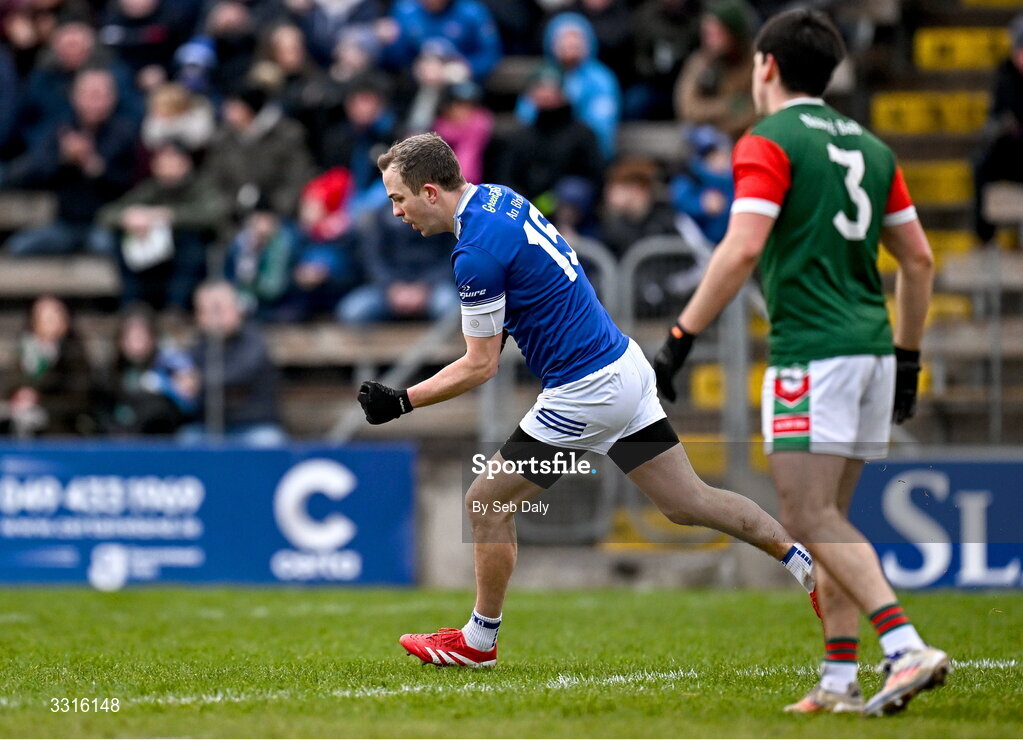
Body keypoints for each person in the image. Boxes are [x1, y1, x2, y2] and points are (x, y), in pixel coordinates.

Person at [357, 133, 818, 668]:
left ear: (431, 192)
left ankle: (479, 641)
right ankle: (807, 564)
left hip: (587, 388)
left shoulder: (475, 252)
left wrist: (402, 400)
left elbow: (480, 364)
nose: (396, 211)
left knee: (485, 502)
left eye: (399, 198)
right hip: (623, 365)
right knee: (687, 502)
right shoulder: (497, 197)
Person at [652, 9, 947, 716]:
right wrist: (907, 359)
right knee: (830, 518)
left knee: (808, 514)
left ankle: (904, 647)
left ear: (765, 67)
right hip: (873, 348)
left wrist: (680, 336)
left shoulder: (768, 139)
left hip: (812, 350)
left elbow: (743, 245)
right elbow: (918, 260)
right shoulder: (871, 149)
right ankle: (839, 680)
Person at [177, 281, 287, 446]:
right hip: (208, 428)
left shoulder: (254, 339)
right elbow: (184, 371)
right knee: (185, 439)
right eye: (204, 311)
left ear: (236, 309)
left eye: (218, 309)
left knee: (269, 442)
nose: (212, 317)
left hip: (253, 426)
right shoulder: (199, 345)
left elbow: (238, 373)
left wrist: (198, 380)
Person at [673, 0, 757, 141]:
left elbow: (757, 111)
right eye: (706, 33)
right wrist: (728, 105)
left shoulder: (755, 62)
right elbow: (687, 108)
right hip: (710, 139)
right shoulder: (701, 61)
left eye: (716, 33)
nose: (709, 40)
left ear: (734, 33)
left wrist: (724, 129)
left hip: (745, 137)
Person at [972, 13, 1023, 245]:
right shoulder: (1005, 75)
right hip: (1012, 150)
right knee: (981, 164)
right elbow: (995, 116)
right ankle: (984, 236)